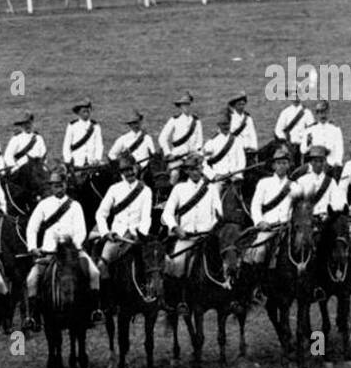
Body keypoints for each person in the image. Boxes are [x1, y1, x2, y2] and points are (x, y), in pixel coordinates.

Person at [25, 170, 99, 314]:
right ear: (51, 187)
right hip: (49, 252)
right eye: (55, 186)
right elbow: (32, 228)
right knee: (32, 279)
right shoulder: (43, 205)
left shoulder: (75, 205)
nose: (58, 188)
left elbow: (81, 231)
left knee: (94, 273)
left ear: (66, 185)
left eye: (61, 185)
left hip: (72, 252)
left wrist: (72, 247)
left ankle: (95, 310)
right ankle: (32, 316)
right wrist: (33, 247)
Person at [160, 154, 222, 283]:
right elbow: (167, 214)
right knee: (176, 268)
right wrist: (175, 228)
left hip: (206, 238)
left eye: (198, 169)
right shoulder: (179, 189)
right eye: (191, 169)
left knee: (220, 266)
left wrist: (210, 231)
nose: (195, 172)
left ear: (202, 169)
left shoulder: (212, 189)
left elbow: (218, 214)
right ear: (187, 171)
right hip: (186, 238)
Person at [94, 153, 154, 274]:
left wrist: (141, 234)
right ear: (121, 172)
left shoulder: (146, 191)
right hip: (118, 236)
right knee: (101, 265)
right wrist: (106, 233)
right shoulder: (114, 189)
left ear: (136, 168)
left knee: (153, 265)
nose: (129, 173)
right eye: (125, 171)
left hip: (137, 236)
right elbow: (100, 214)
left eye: (131, 169)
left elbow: (146, 217)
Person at [244, 145, 296, 265]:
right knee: (258, 253)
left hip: (287, 228)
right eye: (278, 163)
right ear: (273, 166)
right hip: (268, 228)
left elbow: (298, 208)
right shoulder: (264, 183)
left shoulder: (295, 186)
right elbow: (255, 206)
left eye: (284, 163)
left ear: (288, 165)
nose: (281, 166)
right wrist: (260, 222)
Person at [294, 145, 345, 217]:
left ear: (325, 162)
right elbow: (296, 203)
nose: (318, 164)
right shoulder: (302, 181)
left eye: (321, 161)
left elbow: (337, 203)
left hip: (325, 218)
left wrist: (331, 213)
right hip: (307, 219)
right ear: (310, 162)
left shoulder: (331, 182)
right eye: (315, 161)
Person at [203, 109, 247, 183]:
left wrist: (238, 175)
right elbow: (203, 162)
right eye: (223, 124)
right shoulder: (211, 143)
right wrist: (213, 176)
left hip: (234, 178)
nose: (226, 127)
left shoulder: (237, 141)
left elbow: (241, 159)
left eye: (227, 124)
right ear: (218, 125)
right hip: (219, 179)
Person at [158, 91, 203, 160]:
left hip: (193, 157)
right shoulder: (174, 120)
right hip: (177, 155)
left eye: (188, 104)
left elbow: (200, 140)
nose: (186, 107)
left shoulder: (197, 121)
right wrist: (168, 153)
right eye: (183, 104)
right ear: (180, 106)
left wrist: (196, 151)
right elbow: (162, 138)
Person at [62, 98, 105, 168]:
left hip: (92, 163)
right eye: (83, 111)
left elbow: (99, 144)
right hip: (76, 162)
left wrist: (97, 159)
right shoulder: (72, 126)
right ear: (78, 112)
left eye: (88, 110)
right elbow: (66, 145)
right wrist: (68, 160)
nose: (86, 113)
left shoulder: (95, 126)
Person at [302, 100, 344, 168]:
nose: (323, 116)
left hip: (331, 164)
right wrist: (308, 143)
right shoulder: (310, 130)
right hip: (314, 165)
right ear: (317, 114)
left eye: (325, 112)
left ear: (328, 113)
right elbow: (303, 150)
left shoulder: (335, 130)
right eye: (320, 113)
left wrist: (337, 162)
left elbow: (339, 149)